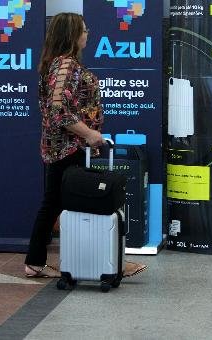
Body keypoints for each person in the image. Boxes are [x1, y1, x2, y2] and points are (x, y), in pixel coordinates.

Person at [24, 13, 147, 279]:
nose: (87, 33)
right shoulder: (65, 66)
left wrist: (89, 137)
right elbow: (59, 110)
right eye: (83, 29)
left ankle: (39, 261)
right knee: (80, 204)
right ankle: (108, 263)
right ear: (72, 35)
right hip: (66, 149)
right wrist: (89, 133)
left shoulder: (58, 65)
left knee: (56, 203)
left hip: (66, 147)